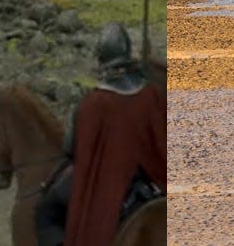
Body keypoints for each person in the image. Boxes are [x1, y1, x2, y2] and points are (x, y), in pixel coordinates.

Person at [63, 22, 166, 246]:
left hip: (113, 187)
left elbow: (71, 151)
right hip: (153, 181)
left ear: (102, 58)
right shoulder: (150, 94)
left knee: (50, 210)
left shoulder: (92, 104)